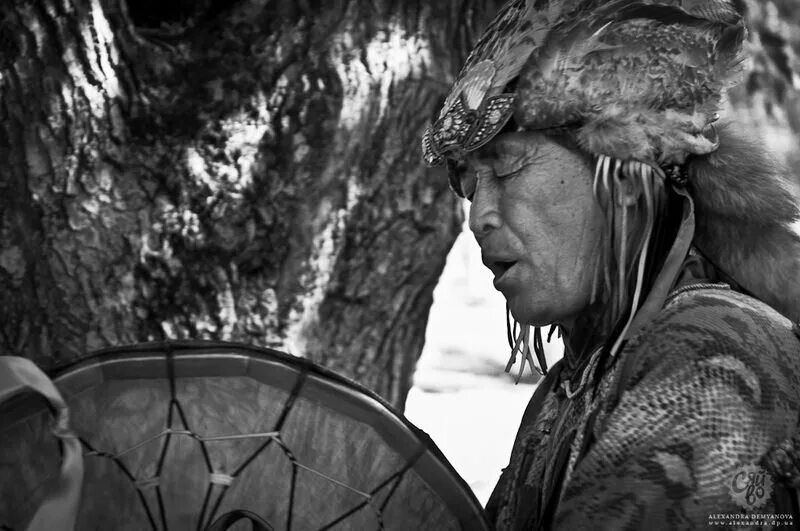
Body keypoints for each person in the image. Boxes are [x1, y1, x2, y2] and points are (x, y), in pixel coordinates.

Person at [422, 0, 800, 528]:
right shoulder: (571, 382)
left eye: (506, 170)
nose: (478, 216)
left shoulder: (710, 348)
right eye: (468, 186)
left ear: (622, 181)